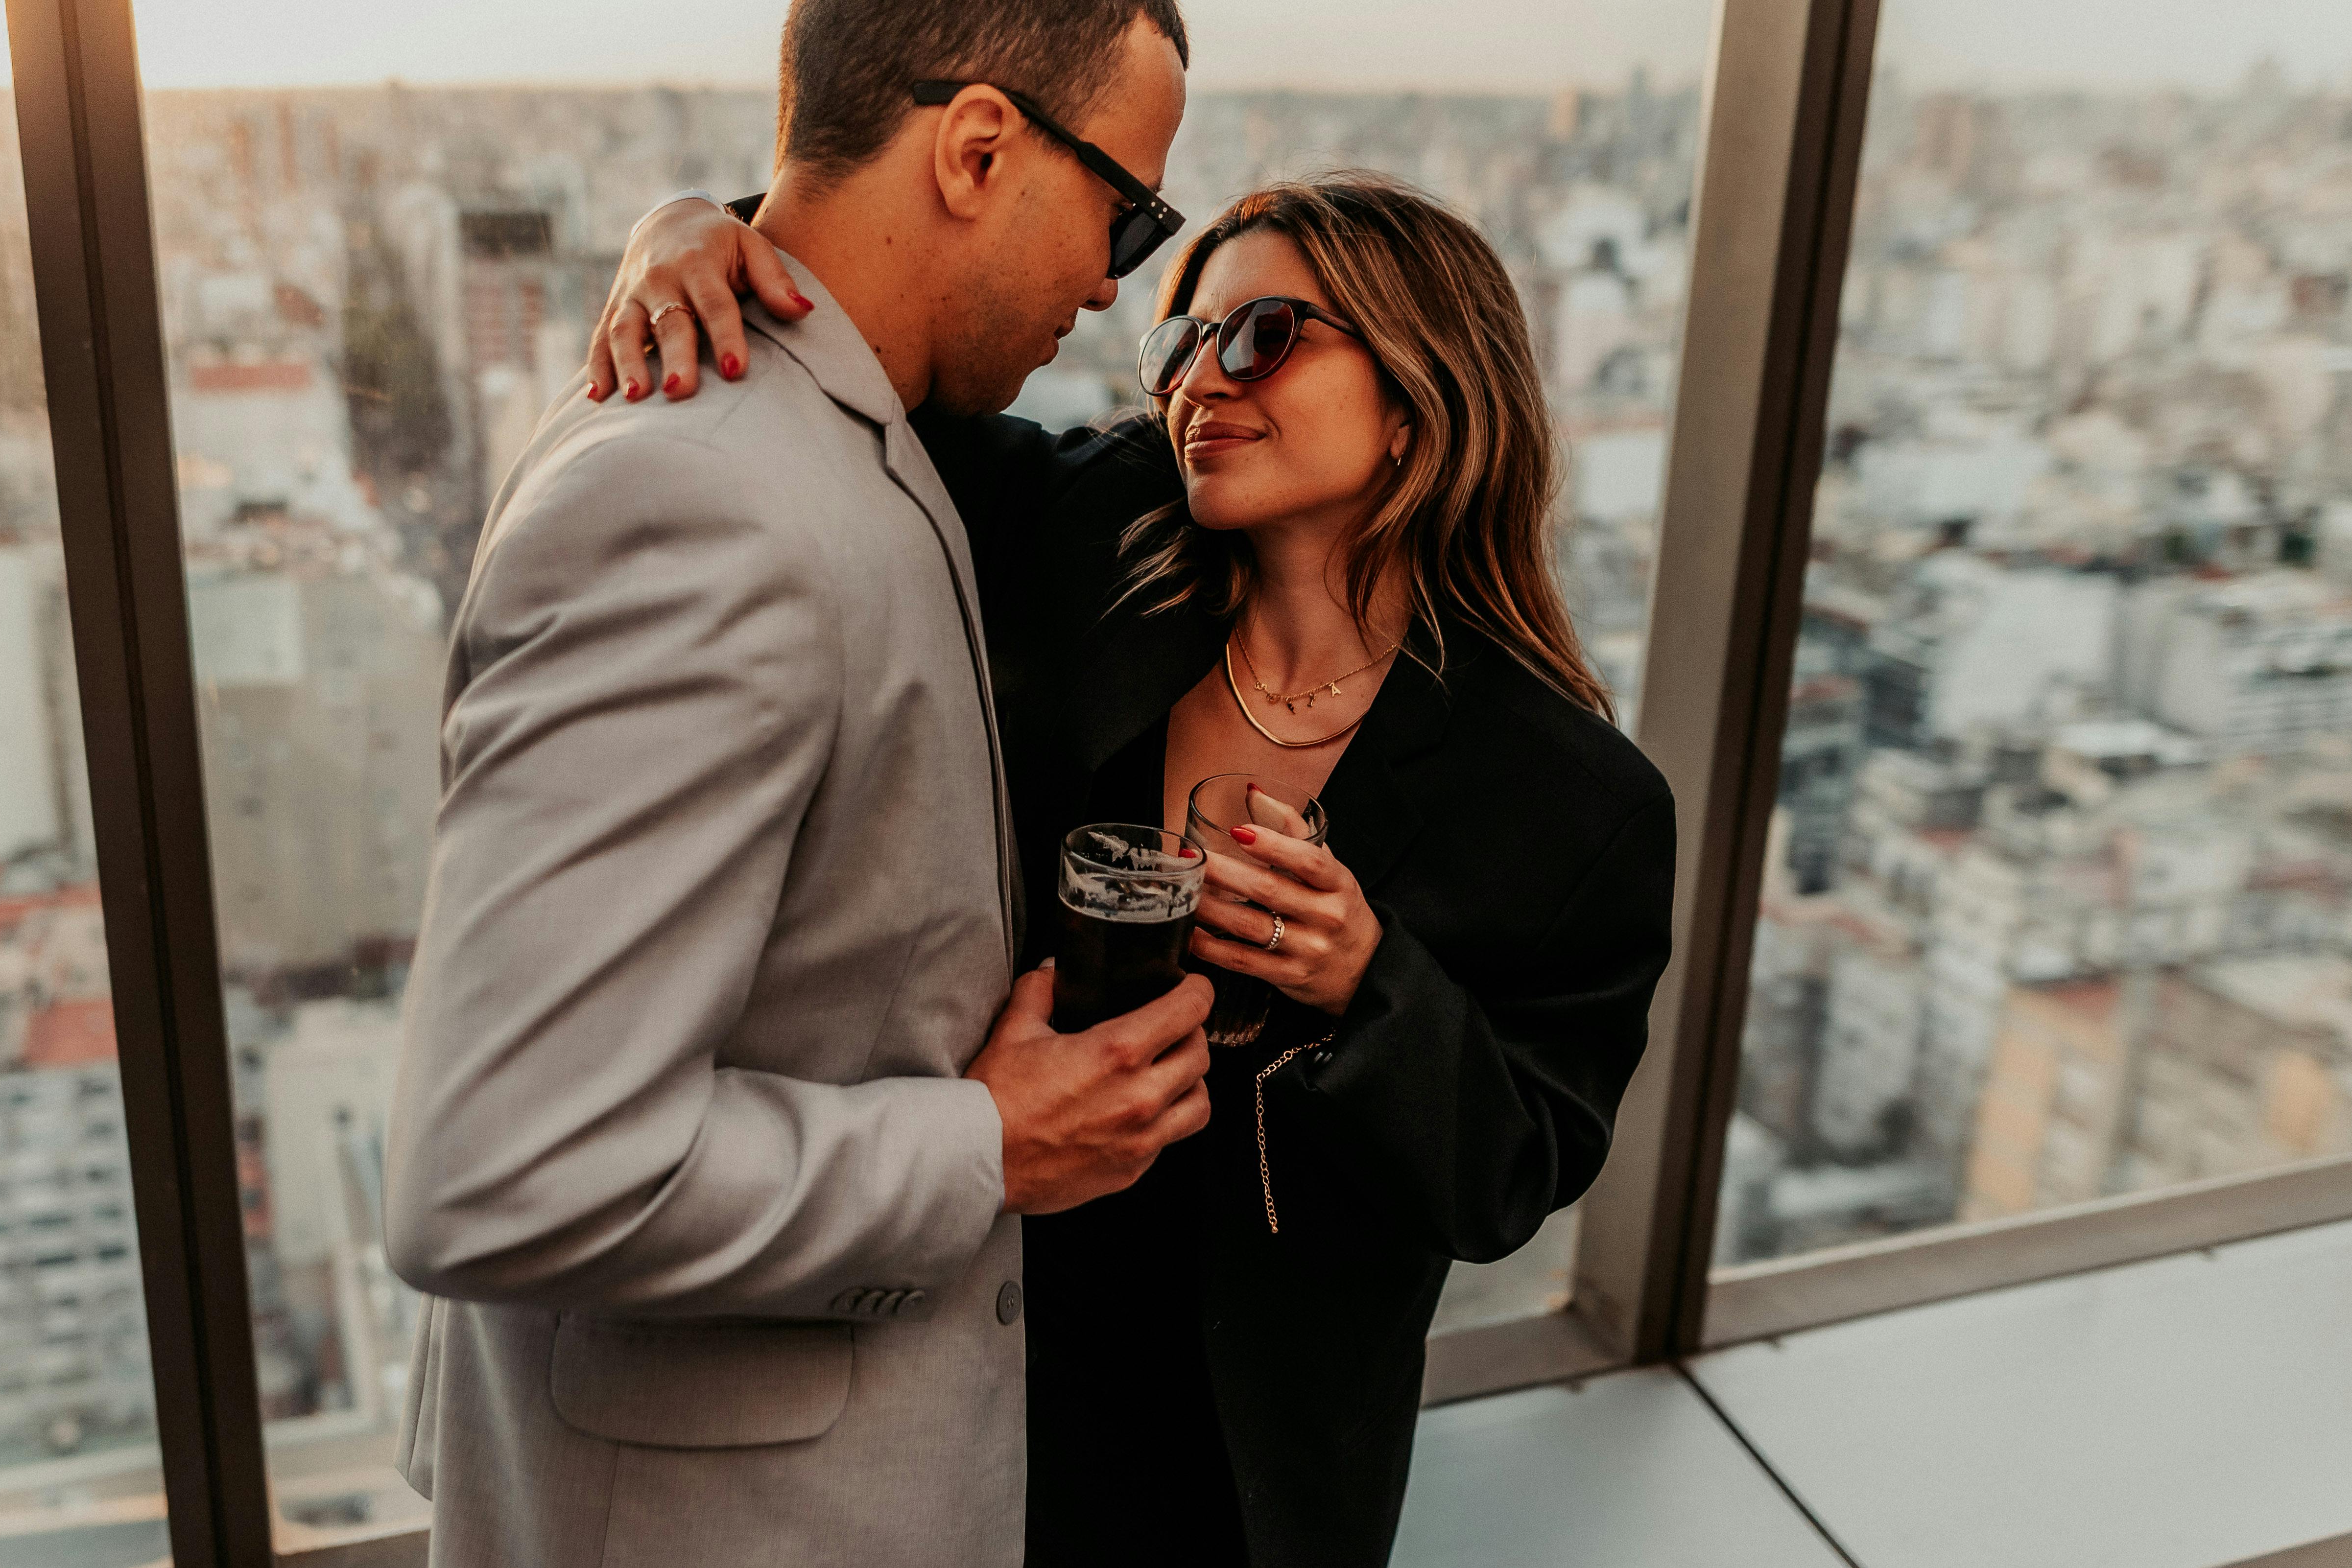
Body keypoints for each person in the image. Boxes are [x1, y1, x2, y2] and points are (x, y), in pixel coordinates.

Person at [588, 172, 1678, 1567]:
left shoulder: (1567, 797)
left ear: (1420, 391)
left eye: (1265, 336)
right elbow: (866, 363)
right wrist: (698, 225)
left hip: (1242, 1452)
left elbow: (1512, 1176)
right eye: (1185, 342)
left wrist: (1370, 984)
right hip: (968, 1342)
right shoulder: (1091, 538)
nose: (1201, 381)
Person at [381, 0, 1218, 1568]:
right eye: (1127, 213)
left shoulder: (832, 422)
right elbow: (505, 1164)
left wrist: (693, 222)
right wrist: (989, 1144)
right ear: (978, 148)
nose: (1111, 283)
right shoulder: (701, 497)